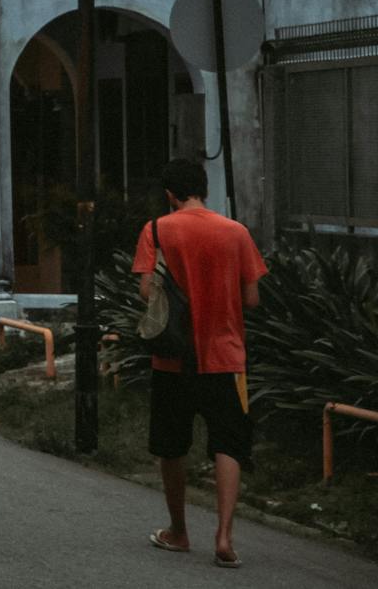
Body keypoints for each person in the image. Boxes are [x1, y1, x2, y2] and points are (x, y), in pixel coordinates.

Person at [133, 157, 266, 570]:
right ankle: (224, 536)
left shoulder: (157, 229)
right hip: (225, 356)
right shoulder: (236, 232)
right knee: (228, 443)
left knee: (172, 445)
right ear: (203, 189)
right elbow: (252, 299)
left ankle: (179, 531)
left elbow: (146, 292)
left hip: (173, 357)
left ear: (170, 194)